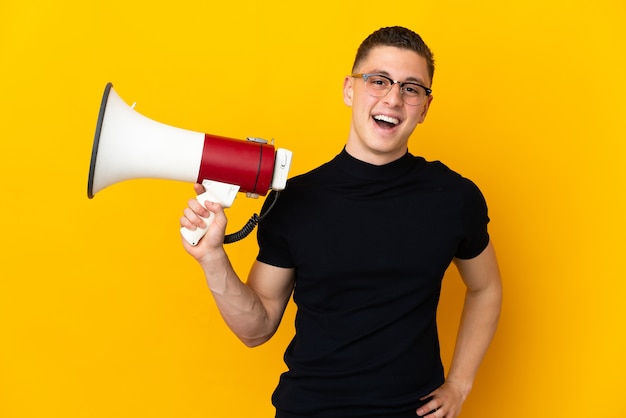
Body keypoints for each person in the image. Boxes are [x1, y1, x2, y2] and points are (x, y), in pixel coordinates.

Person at [180, 26, 502, 418]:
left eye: (411, 88)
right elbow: (256, 328)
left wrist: (460, 383)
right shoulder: (294, 199)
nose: (393, 98)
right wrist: (212, 257)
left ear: (425, 107)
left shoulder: (455, 198)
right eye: (378, 81)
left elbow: (485, 287)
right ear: (349, 89)